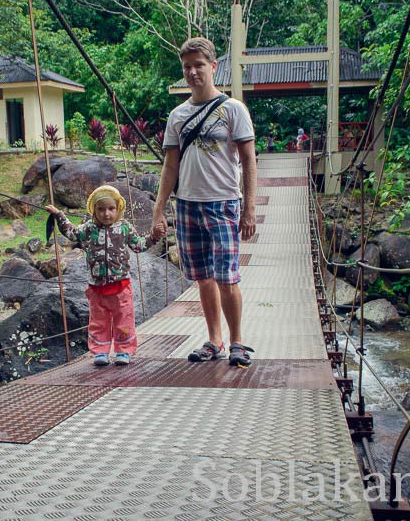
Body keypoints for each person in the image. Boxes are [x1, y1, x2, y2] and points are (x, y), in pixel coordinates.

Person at [151, 37, 258, 367]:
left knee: (227, 276)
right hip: (187, 205)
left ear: (213, 66)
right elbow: (171, 165)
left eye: (199, 65)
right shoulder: (178, 115)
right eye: (187, 67)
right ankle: (215, 341)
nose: (193, 72)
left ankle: (237, 341)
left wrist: (249, 208)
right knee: (203, 277)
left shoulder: (233, 109)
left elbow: (249, 159)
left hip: (223, 203)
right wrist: (159, 210)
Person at [45, 185, 160, 367]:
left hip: (120, 286)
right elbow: (72, 233)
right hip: (96, 287)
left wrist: (154, 236)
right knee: (98, 321)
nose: (106, 213)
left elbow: (139, 245)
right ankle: (100, 352)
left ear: (118, 209)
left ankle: (124, 351)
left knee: (124, 320)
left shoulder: (124, 228)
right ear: (94, 210)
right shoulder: (89, 228)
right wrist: (59, 215)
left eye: (111, 208)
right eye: (101, 209)